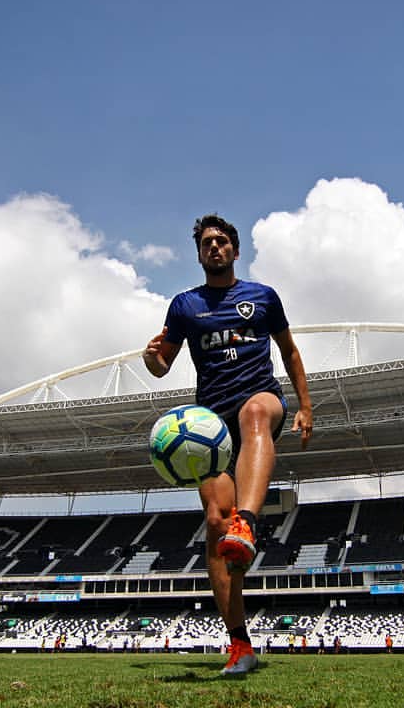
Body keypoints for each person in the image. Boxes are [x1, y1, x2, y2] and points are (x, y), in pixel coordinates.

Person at [144, 214, 313, 676]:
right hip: (209, 426)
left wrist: (305, 405)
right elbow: (163, 365)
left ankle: (250, 521)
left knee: (255, 414)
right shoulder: (184, 306)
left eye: (221, 242)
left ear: (235, 251)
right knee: (215, 524)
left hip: (260, 398)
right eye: (206, 243)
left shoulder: (262, 297)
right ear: (199, 254)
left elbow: (290, 351)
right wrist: (151, 358)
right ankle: (240, 645)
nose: (214, 248)